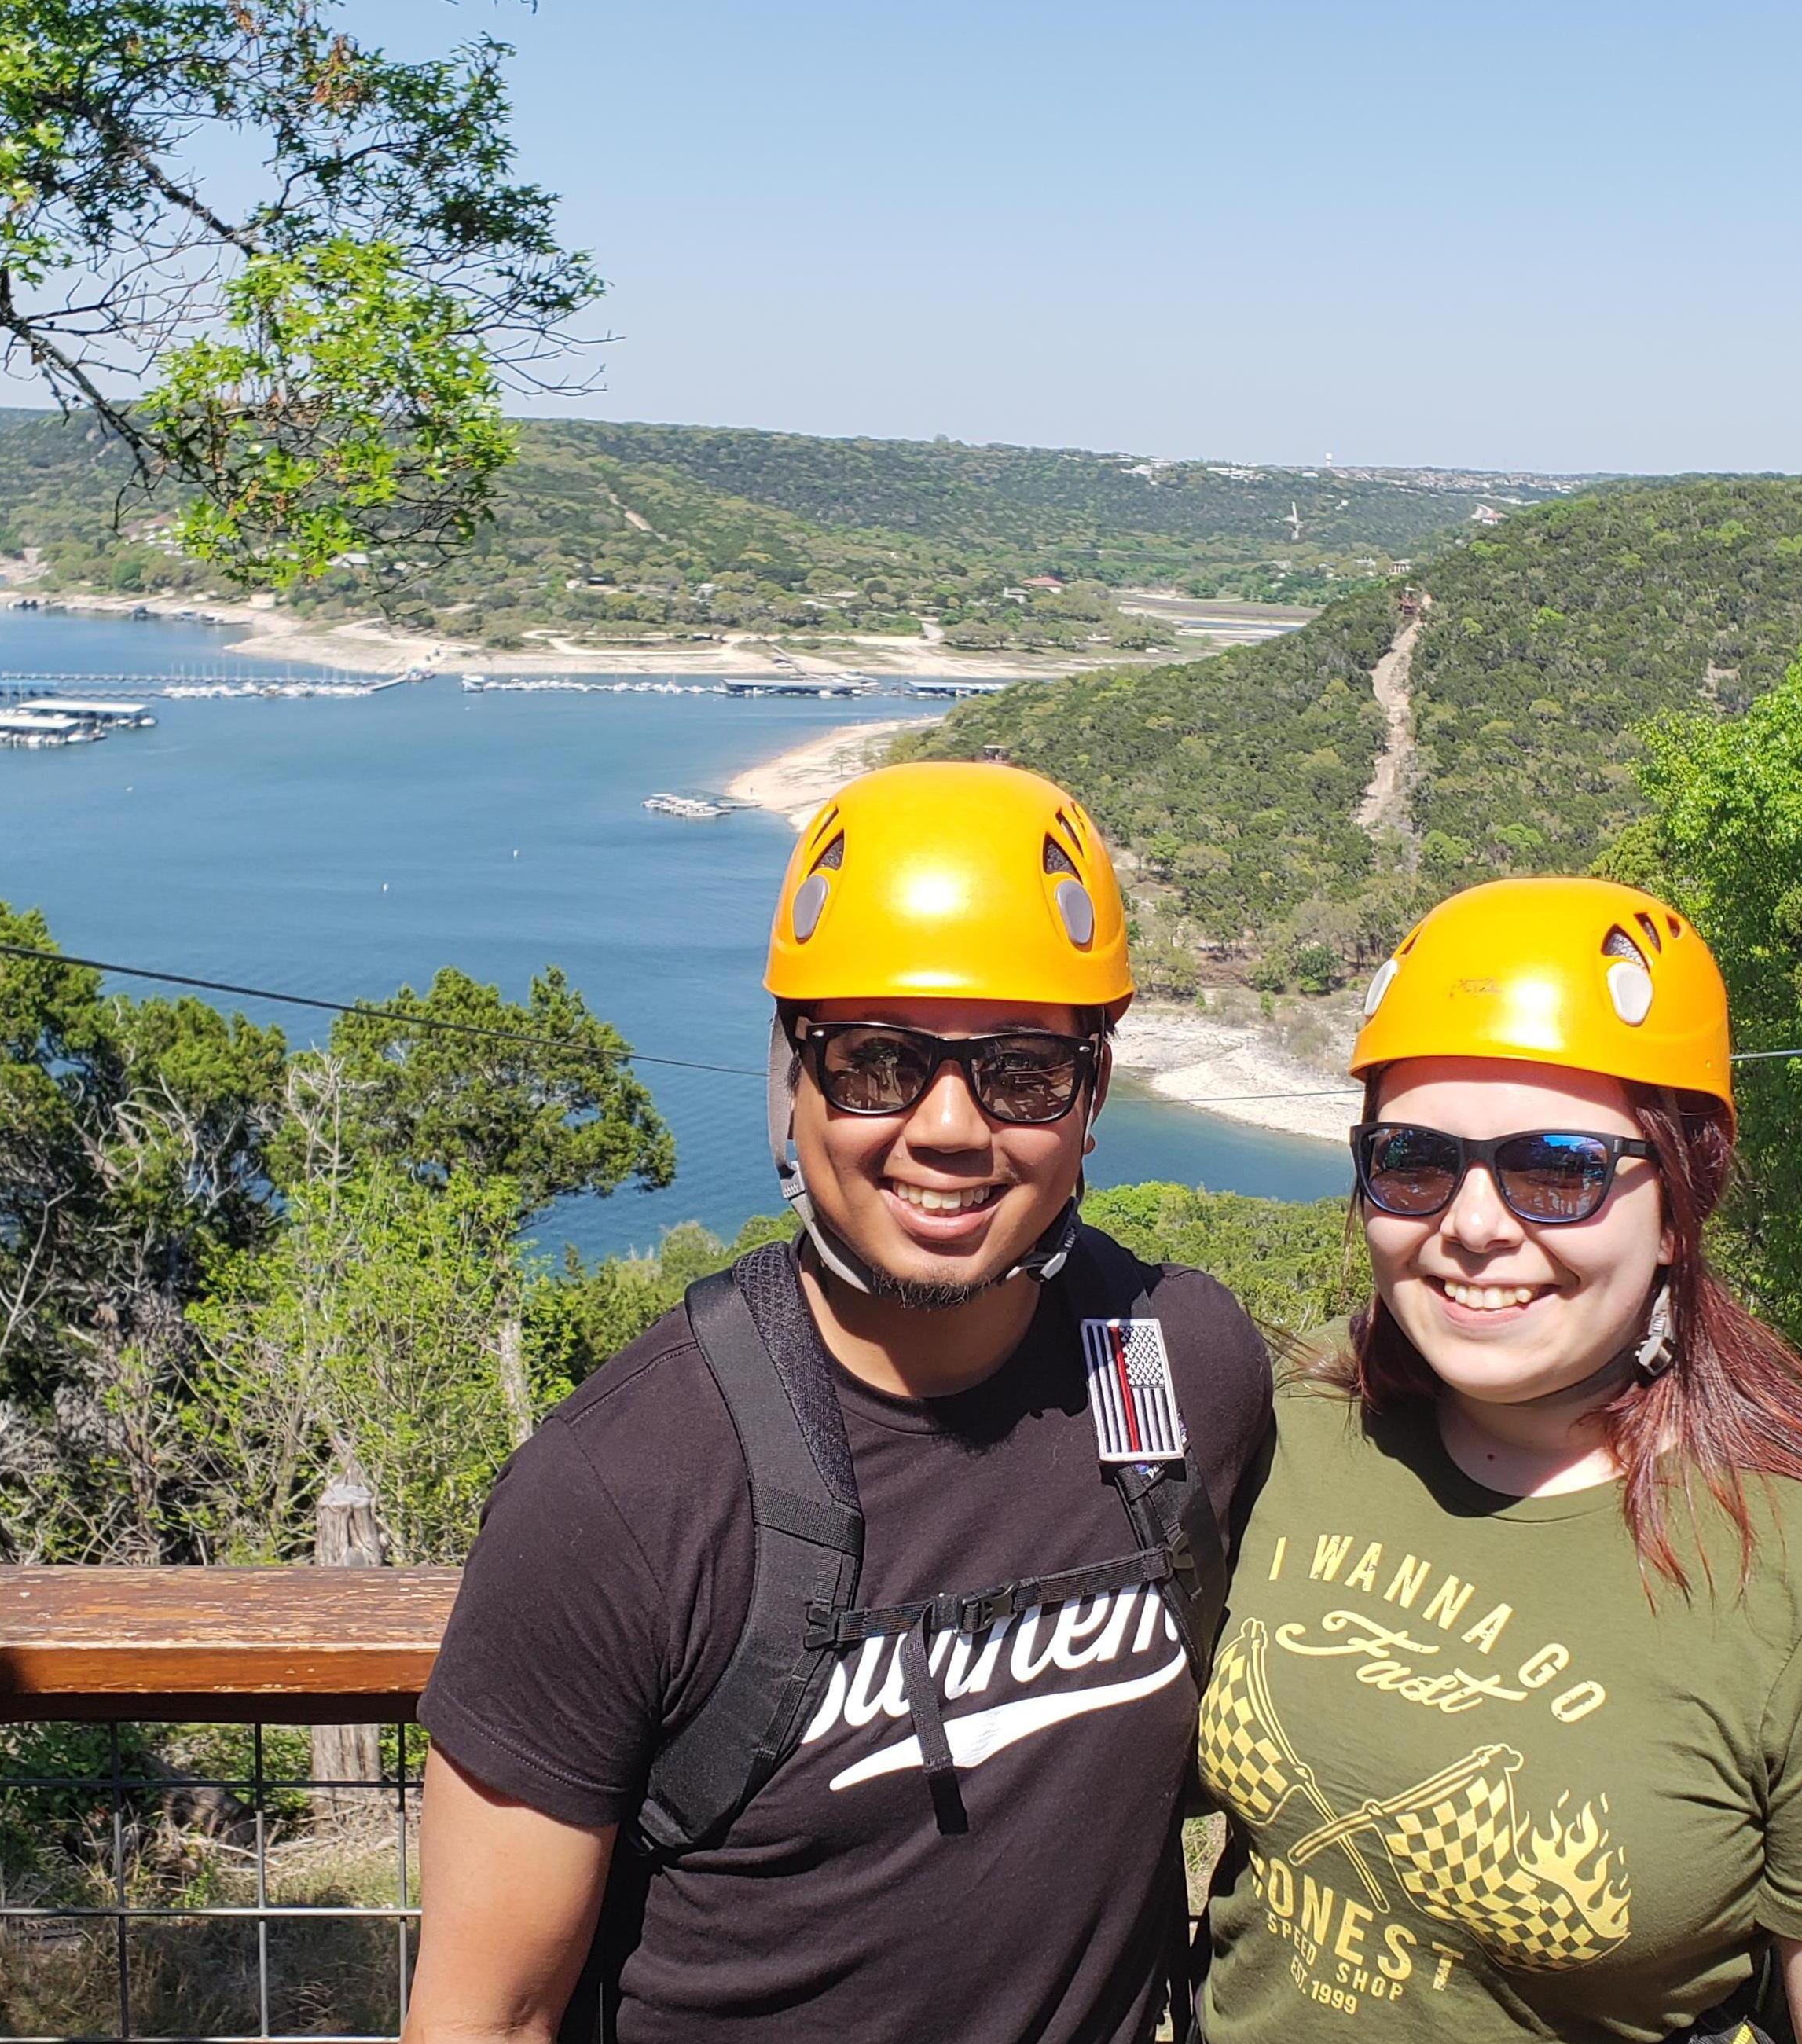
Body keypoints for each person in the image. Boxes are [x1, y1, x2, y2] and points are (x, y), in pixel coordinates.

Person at [406, 760, 1273, 2044]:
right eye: (877, 1063)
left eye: (1023, 1072)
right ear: (791, 1083)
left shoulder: (1180, 1364)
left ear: (1091, 1099)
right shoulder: (624, 1488)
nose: (947, 1129)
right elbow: (485, 2017)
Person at [1195, 875, 1802, 2044]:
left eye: (1555, 1167)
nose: (1474, 1221)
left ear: (1683, 1197)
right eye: (1414, 1158)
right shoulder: (1302, 1416)